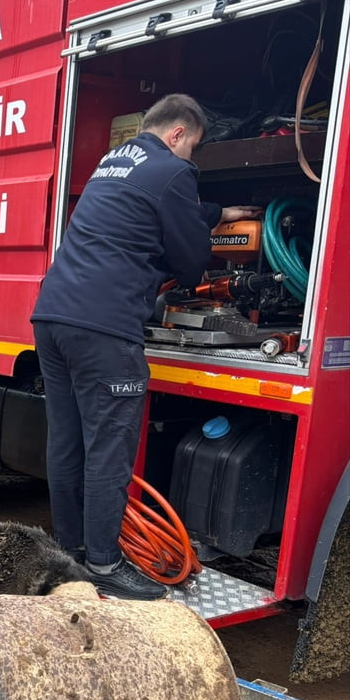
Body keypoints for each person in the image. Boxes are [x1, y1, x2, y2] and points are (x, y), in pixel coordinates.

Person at [30, 93, 261, 600]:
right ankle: (105, 563)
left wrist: (216, 211)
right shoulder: (176, 171)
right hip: (104, 325)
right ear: (178, 134)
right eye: (192, 146)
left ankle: (71, 554)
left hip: (53, 315)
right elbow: (190, 261)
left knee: (67, 442)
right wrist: (201, 242)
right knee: (109, 448)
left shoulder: (114, 163)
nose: (191, 157)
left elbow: (151, 206)